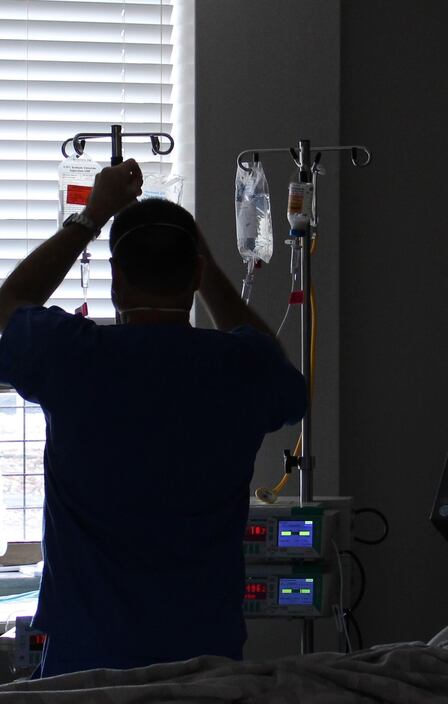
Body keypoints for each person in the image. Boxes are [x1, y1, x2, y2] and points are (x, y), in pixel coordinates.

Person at [0, 159, 306, 677]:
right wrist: (201, 264)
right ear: (196, 274)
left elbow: (10, 302)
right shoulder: (240, 368)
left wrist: (91, 216)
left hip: (86, 670)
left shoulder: (72, 357)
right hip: (205, 671)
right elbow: (275, 368)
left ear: (116, 280)